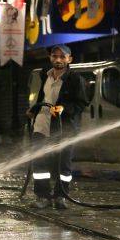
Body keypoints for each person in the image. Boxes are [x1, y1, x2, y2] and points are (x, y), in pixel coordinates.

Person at [27, 44, 89, 208]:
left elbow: (81, 103)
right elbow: (43, 97)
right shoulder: (45, 76)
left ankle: (61, 196)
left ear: (70, 59)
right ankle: (43, 197)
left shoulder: (76, 79)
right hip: (41, 126)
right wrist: (33, 110)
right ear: (50, 58)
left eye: (63, 57)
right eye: (55, 56)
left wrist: (64, 108)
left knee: (63, 164)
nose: (58, 59)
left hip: (64, 129)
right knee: (40, 163)